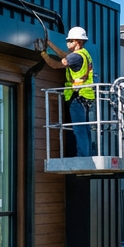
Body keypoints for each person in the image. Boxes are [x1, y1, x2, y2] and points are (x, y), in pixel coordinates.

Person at [42, 26, 96, 156]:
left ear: (78, 42)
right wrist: (50, 44)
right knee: (85, 128)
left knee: (79, 129)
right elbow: (64, 55)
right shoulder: (84, 54)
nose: (68, 43)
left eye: (70, 41)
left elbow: (55, 65)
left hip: (77, 97)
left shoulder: (76, 57)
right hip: (86, 96)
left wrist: (42, 53)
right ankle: (87, 154)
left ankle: (83, 156)